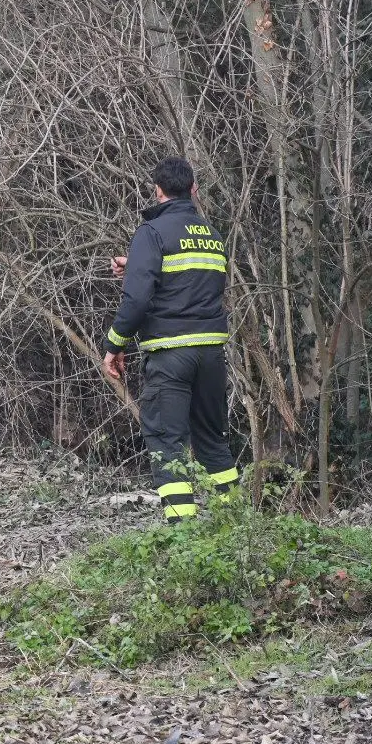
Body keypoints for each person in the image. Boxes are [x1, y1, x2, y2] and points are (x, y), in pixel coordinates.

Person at [102, 157, 238, 521]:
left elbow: (137, 300)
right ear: (193, 189)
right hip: (211, 355)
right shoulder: (211, 235)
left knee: (167, 443)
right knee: (213, 441)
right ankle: (239, 526)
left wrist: (114, 345)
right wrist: (136, 263)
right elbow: (189, 280)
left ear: (157, 191)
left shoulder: (153, 232)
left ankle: (183, 534)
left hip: (170, 355)